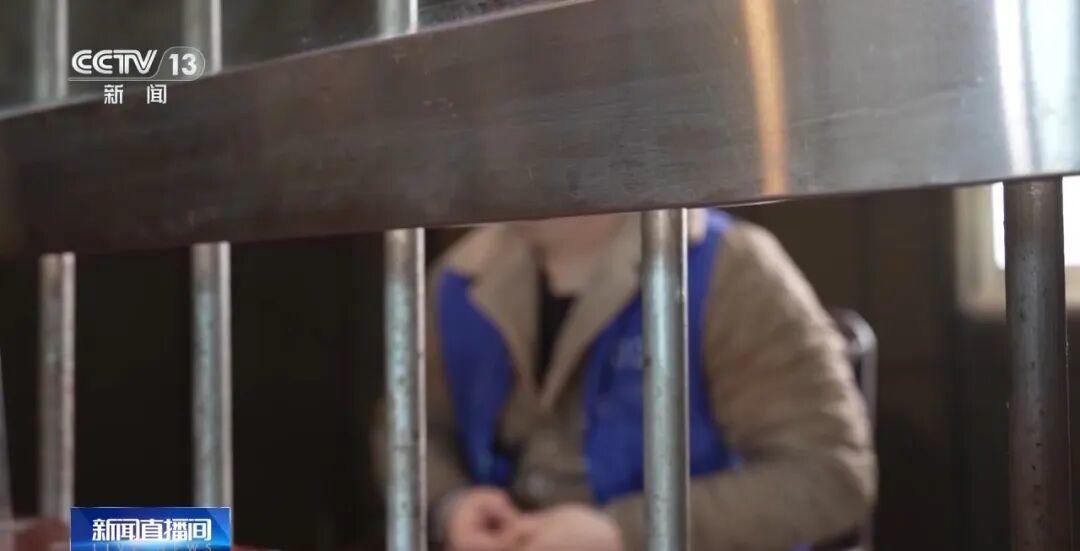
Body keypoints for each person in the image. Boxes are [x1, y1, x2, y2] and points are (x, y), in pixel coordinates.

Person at [375, 209, 875, 551]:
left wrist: (625, 532)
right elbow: (406, 430)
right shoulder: (455, 278)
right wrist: (451, 504)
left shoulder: (731, 267)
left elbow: (834, 476)